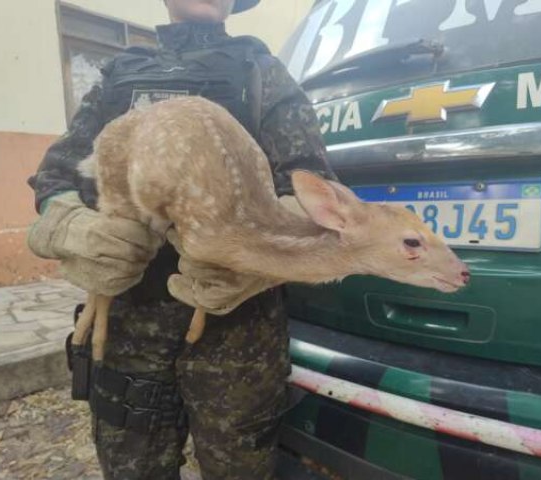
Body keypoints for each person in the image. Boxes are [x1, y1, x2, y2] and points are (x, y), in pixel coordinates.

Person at [26, 1, 336, 478]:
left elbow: (309, 185)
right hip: (129, 326)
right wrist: (72, 225)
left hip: (238, 336)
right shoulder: (119, 74)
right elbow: (57, 174)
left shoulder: (262, 73)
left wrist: (257, 264)